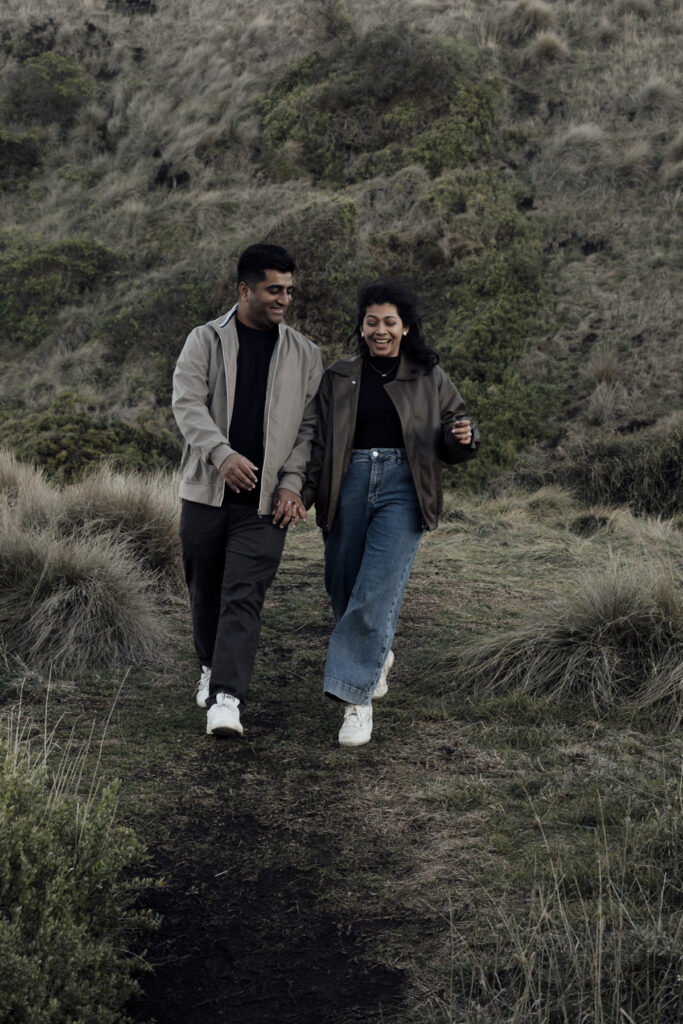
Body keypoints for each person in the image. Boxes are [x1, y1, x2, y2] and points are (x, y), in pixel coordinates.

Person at [302, 280, 479, 747]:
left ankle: (356, 701)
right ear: (361, 326)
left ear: (405, 328)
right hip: (347, 483)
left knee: (376, 588)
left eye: (390, 322)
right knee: (343, 586)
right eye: (372, 321)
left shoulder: (428, 376)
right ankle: (376, 655)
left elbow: (455, 428)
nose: (380, 330)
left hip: (404, 486)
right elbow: (318, 443)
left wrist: (463, 438)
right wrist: (301, 492)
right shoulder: (338, 376)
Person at [172, 243, 323, 738]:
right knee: (206, 590)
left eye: (289, 291)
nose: (283, 299)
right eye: (273, 290)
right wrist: (223, 455)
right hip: (206, 493)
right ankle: (209, 666)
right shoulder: (204, 340)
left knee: (244, 595)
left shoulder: (305, 354)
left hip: (266, 504)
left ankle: (227, 698)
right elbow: (187, 403)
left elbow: (307, 429)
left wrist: (292, 485)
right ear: (245, 289)